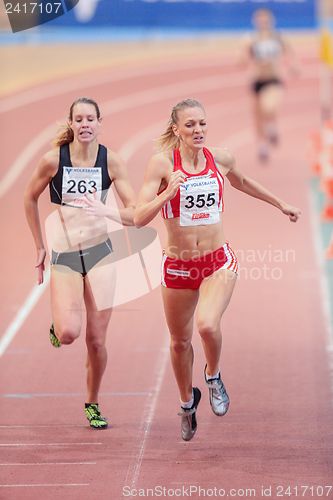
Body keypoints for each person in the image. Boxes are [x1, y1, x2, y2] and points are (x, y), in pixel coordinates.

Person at [134, 98, 301, 441]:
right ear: (176, 129)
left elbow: (243, 181)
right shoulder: (162, 164)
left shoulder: (219, 158)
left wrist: (280, 203)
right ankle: (186, 403)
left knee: (207, 325)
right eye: (190, 125)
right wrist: (168, 194)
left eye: (202, 124)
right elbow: (138, 217)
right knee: (180, 342)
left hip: (216, 262)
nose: (198, 130)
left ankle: (213, 376)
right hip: (178, 265)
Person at [24, 97, 136, 429]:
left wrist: (110, 211)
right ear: (71, 123)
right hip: (66, 254)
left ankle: (92, 402)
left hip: (101, 252)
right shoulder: (53, 161)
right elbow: (29, 197)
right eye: (79, 119)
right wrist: (39, 246)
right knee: (70, 333)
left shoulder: (111, 162)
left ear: (100, 123)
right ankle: (58, 325)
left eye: (91, 119)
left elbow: (133, 212)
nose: (85, 124)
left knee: (97, 340)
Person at [240, 9, 298, 162]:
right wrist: (245, 56)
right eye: (260, 20)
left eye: (266, 20)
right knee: (258, 116)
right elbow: (242, 60)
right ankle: (262, 146)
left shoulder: (279, 37)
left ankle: (271, 127)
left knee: (269, 107)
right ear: (256, 22)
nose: (263, 23)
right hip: (257, 80)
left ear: (271, 21)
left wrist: (293, 66)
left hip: (274, 79)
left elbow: (291, 53)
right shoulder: (251, 39)